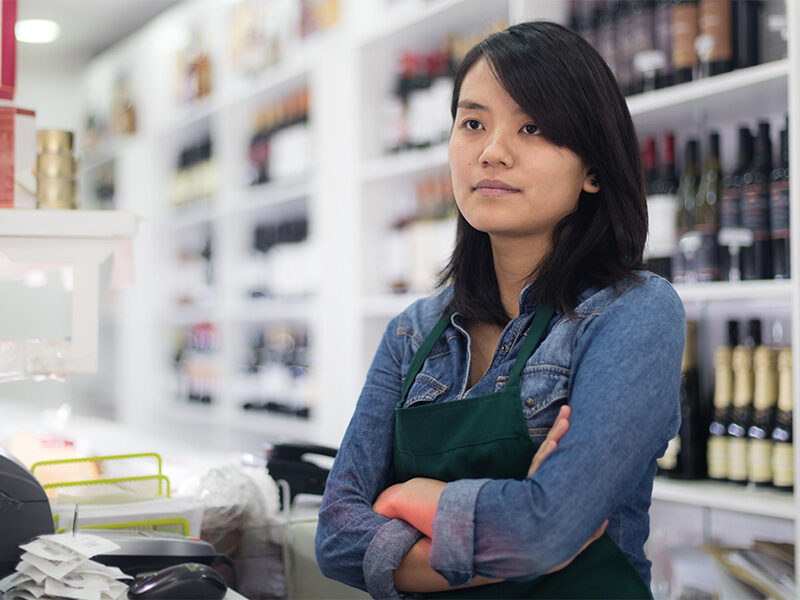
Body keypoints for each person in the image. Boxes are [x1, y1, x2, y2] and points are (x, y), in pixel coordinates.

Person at [315, 20, 684, 599]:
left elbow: (545, 531)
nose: (492, 152)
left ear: (593, 166)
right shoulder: (413, 332)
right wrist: (517, 540)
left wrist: (418, 500)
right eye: (473, 123)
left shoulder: (634, 312)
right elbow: (335, 539)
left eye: (532, 126)